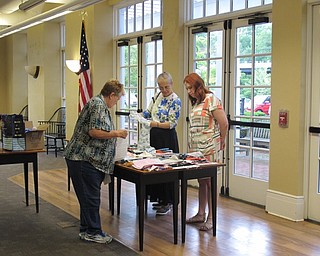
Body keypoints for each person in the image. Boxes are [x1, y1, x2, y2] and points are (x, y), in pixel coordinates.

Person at [64, 79, 128, 244]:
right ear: (111, 94)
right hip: (84, 159)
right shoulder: (98, 105)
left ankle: (86, 230)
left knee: (87, 197)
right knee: (91, 198)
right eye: (117, 98)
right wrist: (116, 133)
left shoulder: (99, 104)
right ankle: (93, 231)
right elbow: (94, 131)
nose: (117, 102)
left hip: (86, 160)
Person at [184, 73, 228, 231]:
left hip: (209, 148)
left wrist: (222, 140)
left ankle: (211, 217)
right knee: (202, 181)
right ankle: (200, 213)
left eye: (190, 88)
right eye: (187, 88)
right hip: (196, 149)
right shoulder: (196, 102)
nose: (189, 91)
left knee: (211, 182)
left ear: (199, 86)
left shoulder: (211, 99)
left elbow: (223, 123)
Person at [142, 71, 182, 215]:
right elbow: (148, 112)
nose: (164, 90)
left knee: (167, 170)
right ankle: (159, 198)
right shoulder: (157, 96)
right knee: (155, 168)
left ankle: (169, 201)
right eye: (161, 87)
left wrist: (155, 123)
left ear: (171, 85)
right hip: (155, 136)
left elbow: (171, 123)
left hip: (167, 137)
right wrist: (140, 116)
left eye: (167, 87)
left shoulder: (175, 100)